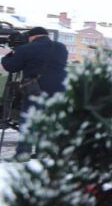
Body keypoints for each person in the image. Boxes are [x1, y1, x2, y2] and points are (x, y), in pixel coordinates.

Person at [1, 26, 69, 158]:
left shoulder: (26, 49)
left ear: (32, 36)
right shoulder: (61, 47)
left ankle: (23, 153)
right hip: (59, 91)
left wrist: (9, 55)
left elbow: (11, 66)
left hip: (36, 90)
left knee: (29, 121)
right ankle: (43, 153)